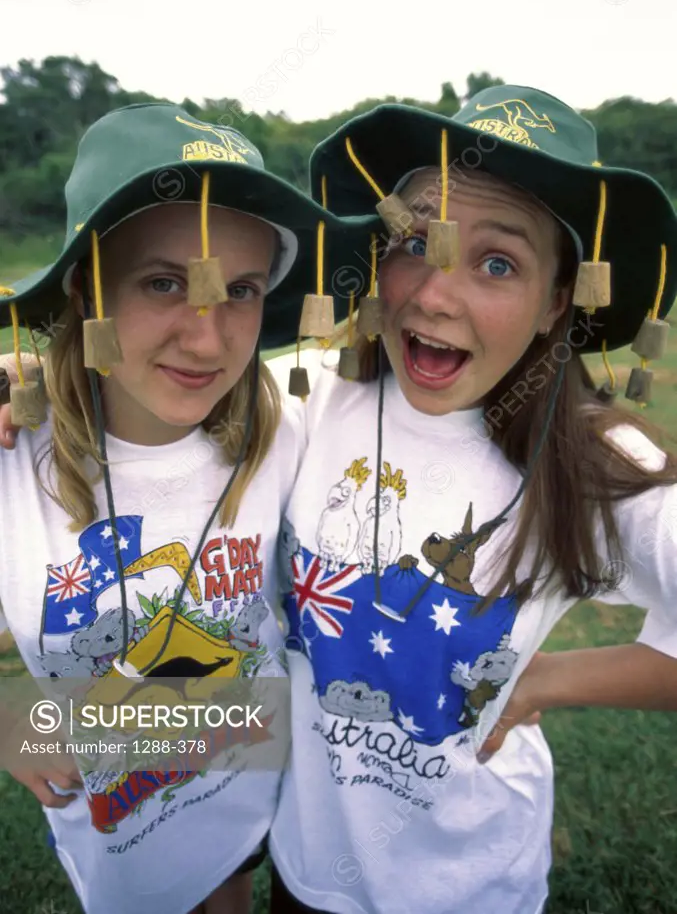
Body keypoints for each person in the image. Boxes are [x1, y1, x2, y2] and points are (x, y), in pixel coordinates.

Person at [262, 85, 677, 914]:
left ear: (560, 298)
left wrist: (542, 679)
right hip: (307, 865)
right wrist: (32, 386)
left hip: (472, 884)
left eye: (497, 263)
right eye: (415, 241)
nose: (433, 296)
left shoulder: (593, 462)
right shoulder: (308, 401)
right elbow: (151, 410)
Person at [0, 102, 376, 914]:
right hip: (112, 827)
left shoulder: (291, 424)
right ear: (84, 285)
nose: (207, 343)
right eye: (164, 282)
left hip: (245, 785)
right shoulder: (11, 459)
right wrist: (7, 723)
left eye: (239, 290)